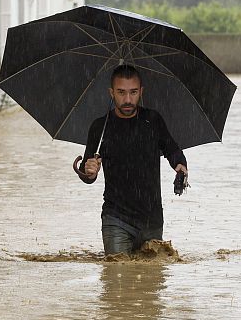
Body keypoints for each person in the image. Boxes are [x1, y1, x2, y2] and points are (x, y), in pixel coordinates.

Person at [78, 64, 188, 256]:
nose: (127, 99)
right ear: (111, 92)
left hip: (151, 220)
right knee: (117, 276)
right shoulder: (100, 127)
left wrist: (180, 165)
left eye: (133, 92)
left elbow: (173, 150)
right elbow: (87, 173)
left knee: (151, 282)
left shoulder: (153, 120)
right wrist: (89, 171)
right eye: (121, 92)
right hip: (116, 218)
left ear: (141, 91)